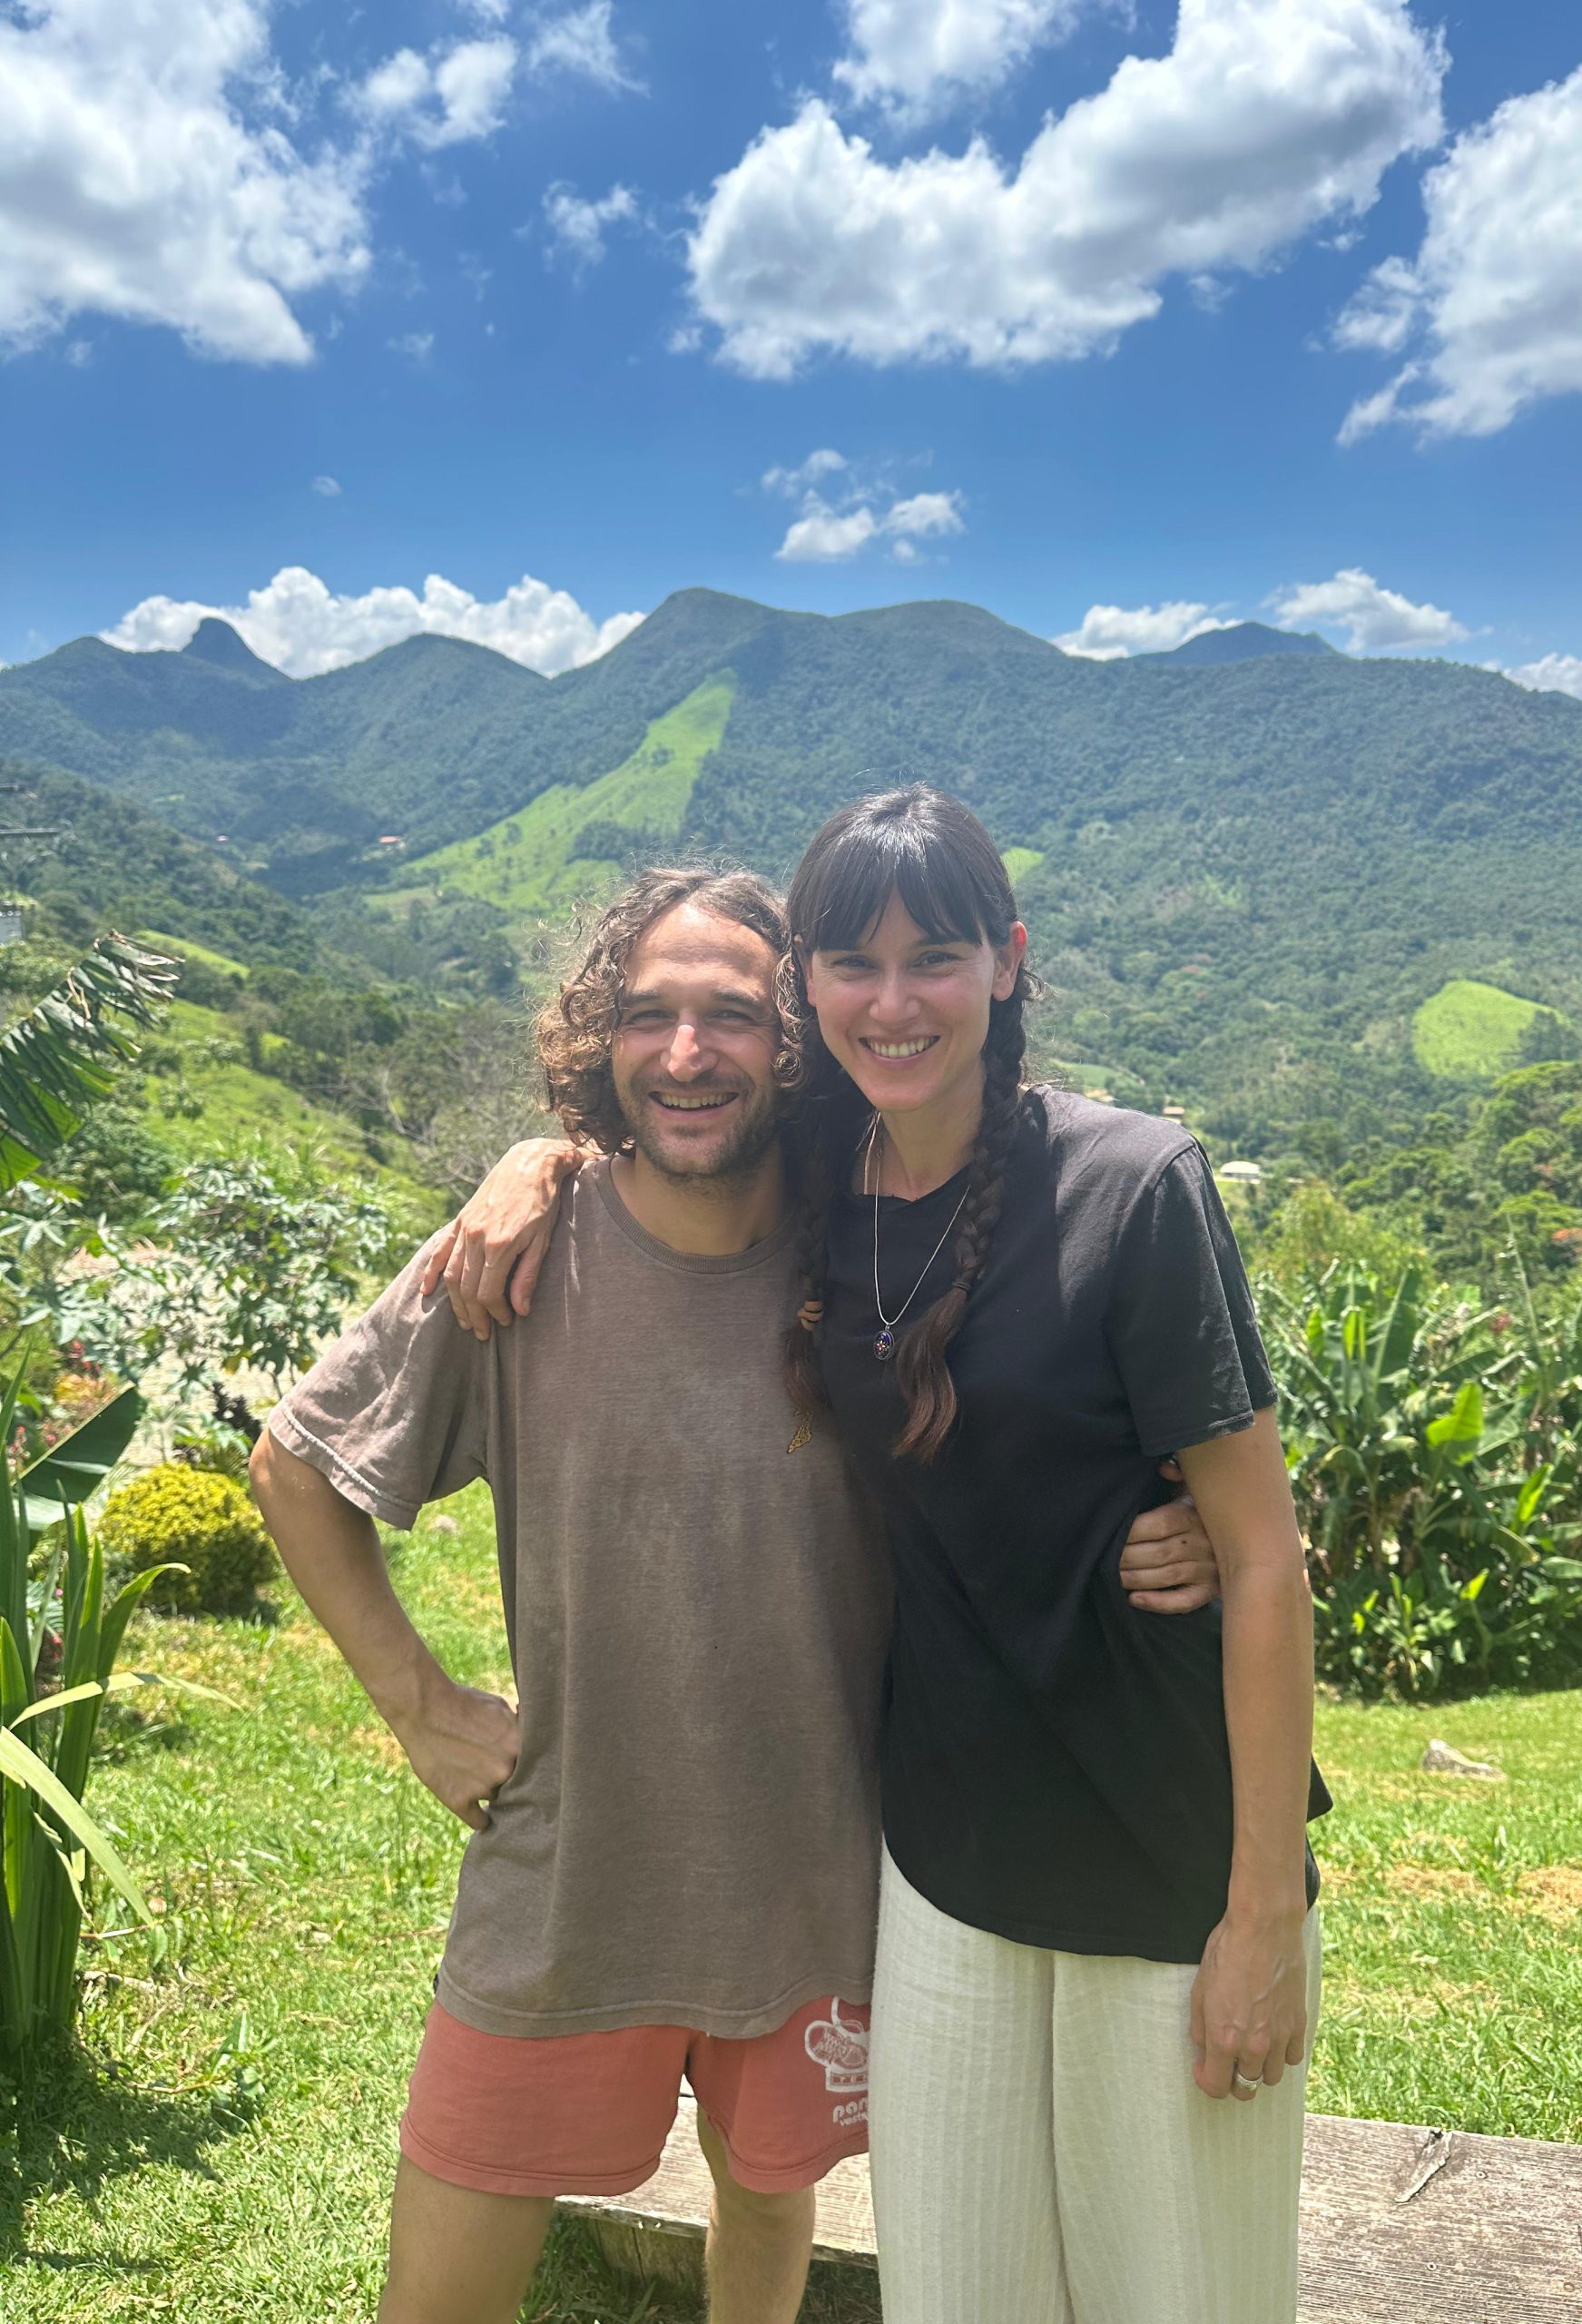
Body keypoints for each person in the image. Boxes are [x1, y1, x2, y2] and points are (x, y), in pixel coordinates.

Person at [251, 862, 1222, 2324]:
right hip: (569, 1880)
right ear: (601, 1044)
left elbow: (1058, 1404)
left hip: (816, 1878)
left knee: (765, 2206)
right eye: (648, 1016)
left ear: (794, 1041)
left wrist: (1181, 1527)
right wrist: (420, 1704)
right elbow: (296, 1465)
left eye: (731, 1014)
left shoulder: (873, 1257)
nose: (687, 1052)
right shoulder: (511, 1264)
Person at [447, 793, 1332, 2324]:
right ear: (810, 997)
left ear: (1009, 961)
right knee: (958, 2290)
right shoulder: (813, 1175)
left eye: (937, 958)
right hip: (935, 1857)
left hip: (1160, 1841)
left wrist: (1261, 1919)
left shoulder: (1134, 1184)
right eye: (851, 963)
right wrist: (531, 1162)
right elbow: (659, 1114)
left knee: (1173, 2291)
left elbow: (1263, 1560)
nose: (895, 1000)